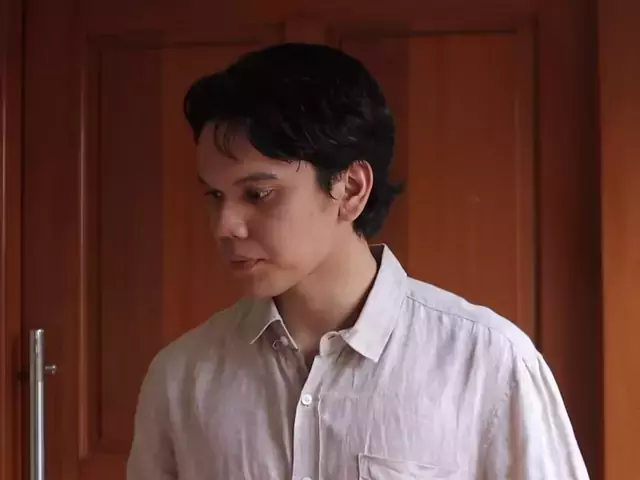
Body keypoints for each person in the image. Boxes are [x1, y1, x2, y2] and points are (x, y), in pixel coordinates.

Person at [127, 43, 589, 480]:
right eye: (214, 195)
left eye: (258, 194)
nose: (225, 225)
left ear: (350, 188)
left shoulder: (487, 363)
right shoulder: (181, 377)